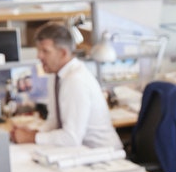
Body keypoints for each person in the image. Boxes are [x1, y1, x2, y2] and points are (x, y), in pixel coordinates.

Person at [17, 21, 121, 150]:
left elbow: (72, 137)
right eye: (39, 50)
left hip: (103, 154)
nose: (39, 56)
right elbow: (54, 122)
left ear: (63, 53)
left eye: (45, 51)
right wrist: (34, 132)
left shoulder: (75, 80)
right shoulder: (56, 75)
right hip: (79, 152)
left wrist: (33, 137)